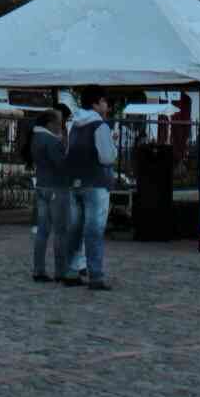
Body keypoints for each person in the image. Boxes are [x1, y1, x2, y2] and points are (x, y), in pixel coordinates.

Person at [59, 86, 117, 291]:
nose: (107, 107)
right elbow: (107, 157)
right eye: (104, 102)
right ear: (96, 103)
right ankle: (96, 276)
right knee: (94, 231)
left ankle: (71, 271)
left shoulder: (73, 124)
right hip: (96, 183)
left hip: (75, 183)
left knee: (74, 230)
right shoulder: (100, 126)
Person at [29, 107, 70, 281]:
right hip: (56, 187)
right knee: (60, 231)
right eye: (59, 123)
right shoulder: (51, 141)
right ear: (50, 123)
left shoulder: (36, 138)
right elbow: (61, 164)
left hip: (42, 185)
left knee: (42, 231)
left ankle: (38, 269)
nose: (61, 125)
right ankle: (61, 271)